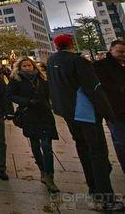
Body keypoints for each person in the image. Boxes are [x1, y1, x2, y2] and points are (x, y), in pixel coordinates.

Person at [48, 34, 122, 212]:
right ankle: (106, 198)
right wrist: (109, 114)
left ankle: (93, 187)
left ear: (56, 45)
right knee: (98, 152)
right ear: (72, 43)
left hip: (69, 113)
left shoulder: (51, 61)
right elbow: (93, 89)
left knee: (83, 148)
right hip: (86, 113)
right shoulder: (79, 61)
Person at [8, 57, 59, 193]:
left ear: (34, 66)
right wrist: (27, 101)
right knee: (35, 144)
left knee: (47, 146)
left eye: (29, 65)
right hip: (29, 115)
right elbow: (11, 95)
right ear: (19, 68)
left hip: (45, 114)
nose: (27, 68)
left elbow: (50, 94)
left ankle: (50, 175)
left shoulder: (42, 78)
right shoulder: (16, 80)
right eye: (24, 66)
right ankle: (42, 170)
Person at [94, 39, 125, 174]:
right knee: (121, 142)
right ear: (111, 50)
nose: (123, 54)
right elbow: (100, 87)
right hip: (115, 111)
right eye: (120, 51)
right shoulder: (101, 66)